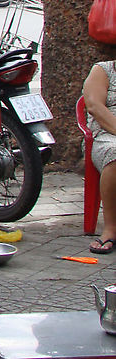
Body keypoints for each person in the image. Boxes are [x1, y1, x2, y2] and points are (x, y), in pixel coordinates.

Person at [83, 60, 116, 254]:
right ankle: (111, 228)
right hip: (106, 136)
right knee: (115, 154)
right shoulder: (104, 70)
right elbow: (94, 106)